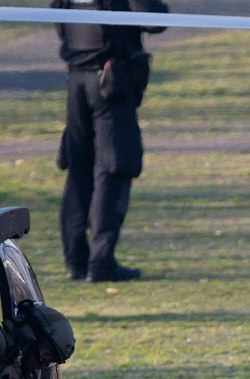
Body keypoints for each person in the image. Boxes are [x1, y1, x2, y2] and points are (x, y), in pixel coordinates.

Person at [53, 0, 168, 283]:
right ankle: (101, 262)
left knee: (79, 168)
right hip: (110, 82)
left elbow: (58, 20)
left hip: (77, 79)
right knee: (114, 166)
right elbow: (155, 20)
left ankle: (76, 261)